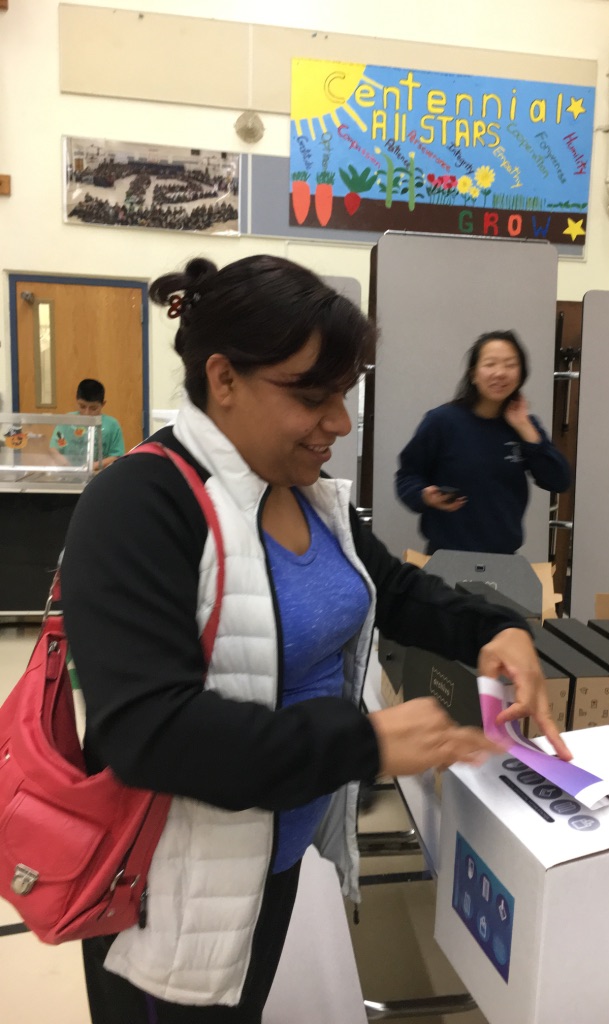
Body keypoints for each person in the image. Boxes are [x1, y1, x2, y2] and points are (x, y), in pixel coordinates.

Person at [61, 256, 570, 1024]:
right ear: (223, 378)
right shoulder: (139, 503)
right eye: (312, 396)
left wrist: (497, 625)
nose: (340, 422)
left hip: (272, 861)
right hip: (164, 891)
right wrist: (362, 744)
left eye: (345, 392)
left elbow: (393, 590)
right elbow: (148, 732)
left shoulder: (308, 495)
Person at [395, 330, 571, 555]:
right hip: (447, 555)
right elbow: (407, 475)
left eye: (510, 365)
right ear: (473, 374)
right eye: (490, 364)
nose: (500, 373)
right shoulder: (442, 421)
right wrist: (422, 495)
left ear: (521, 374)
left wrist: (525, 428)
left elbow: (559, 480)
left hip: (504, 559)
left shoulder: (525, 425)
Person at [50, 378, 125, 469]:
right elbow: (53, 448)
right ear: (76, 401)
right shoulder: (67, 421)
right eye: (82, 406)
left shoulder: (112, 425)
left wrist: (93, 466)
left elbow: (117, 456)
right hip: (69, 474)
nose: (87, 413)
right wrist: (61, 460)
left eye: (93, 408)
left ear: (103, 404)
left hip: (98, 476)